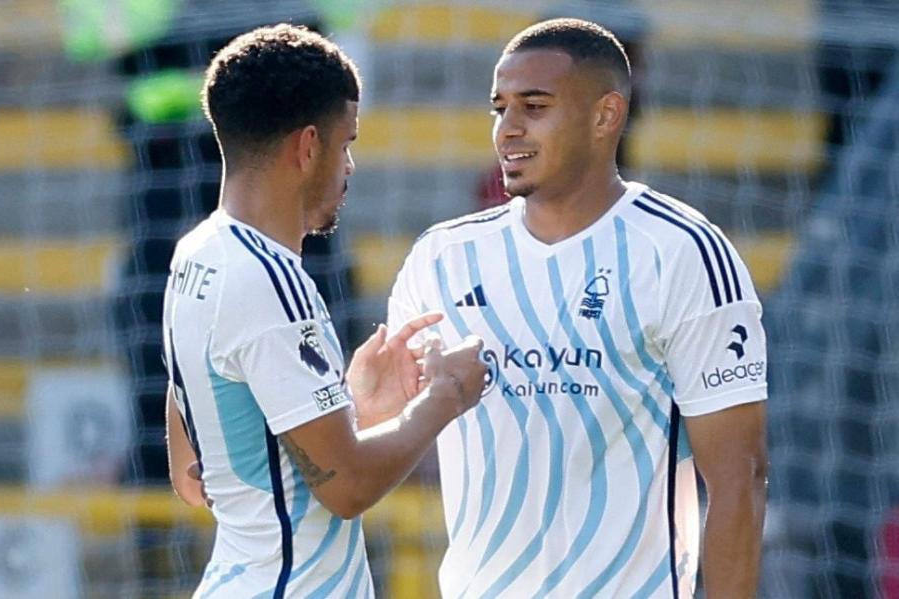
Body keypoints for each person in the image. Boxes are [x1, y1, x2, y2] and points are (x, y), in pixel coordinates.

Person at [387, 18, 768, 598]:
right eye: (499, 109)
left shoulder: (682, 252)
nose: (507, 130)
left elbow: (741, 478)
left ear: (605, 115)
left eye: (533, 107)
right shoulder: (441, 259)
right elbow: (386, 443)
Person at [161, 24, 487, 598]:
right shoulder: (272, 281)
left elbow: (198, 470)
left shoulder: (197, 253)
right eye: (347, 143)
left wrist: (349, 405)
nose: (349, 166)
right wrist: (445, 396)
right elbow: (347, 486)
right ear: (308, 146)